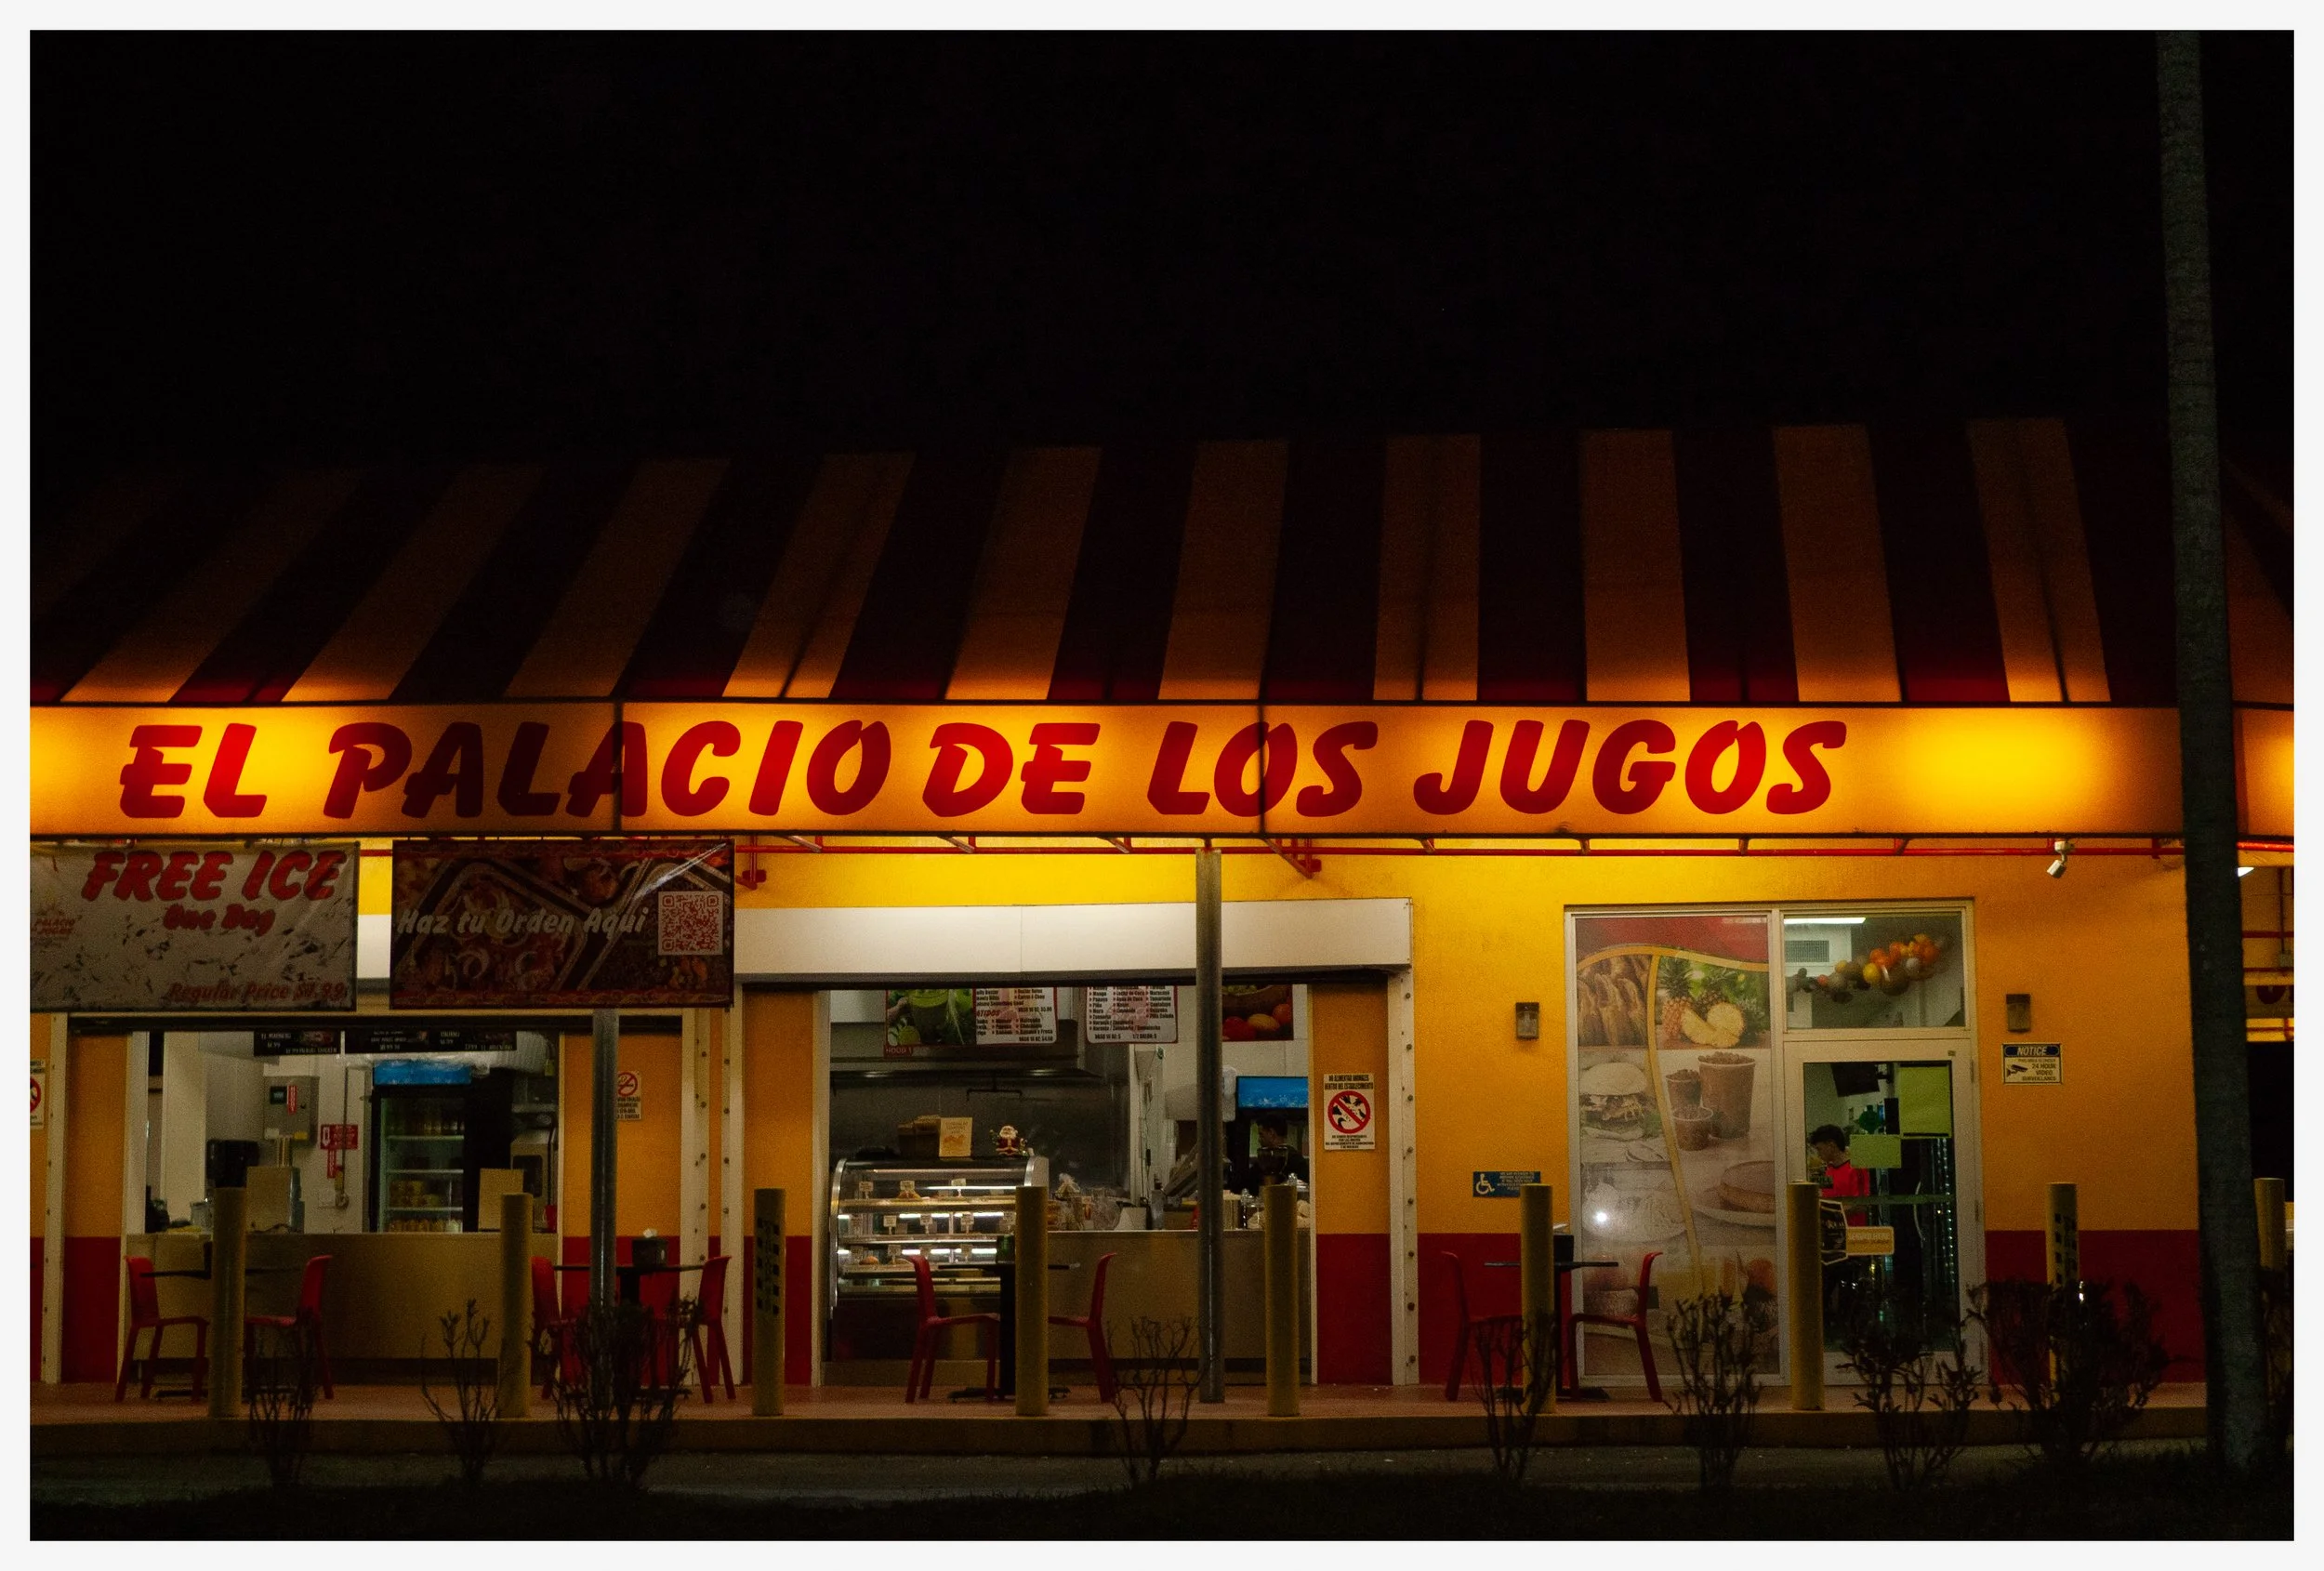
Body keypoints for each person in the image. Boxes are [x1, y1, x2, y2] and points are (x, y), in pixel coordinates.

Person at [1239, 1113, 1309, 1189]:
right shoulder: (1298, 1159)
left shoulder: (1267, 1162)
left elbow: (1247, 1185)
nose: (1259, 1140)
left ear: (1272, 1133)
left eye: (1261, 1134)